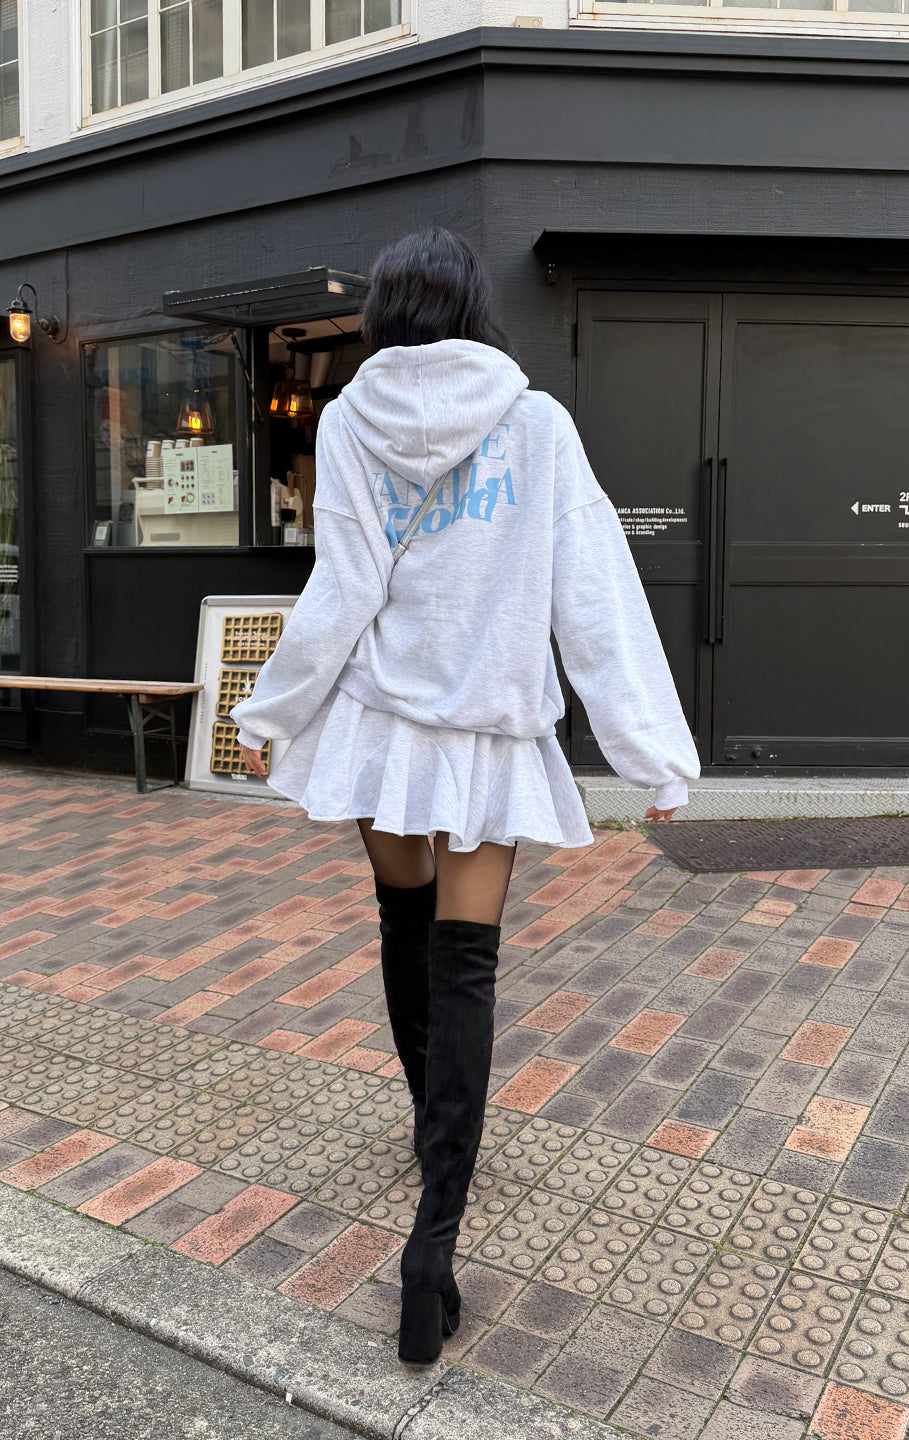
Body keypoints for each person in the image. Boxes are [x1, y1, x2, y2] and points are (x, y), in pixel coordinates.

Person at [230, 227, 700, 1366]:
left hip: (383, 730)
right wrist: (651, 755)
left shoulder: (348, 420)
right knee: (467, 959)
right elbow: (592, 586)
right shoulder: (536, 422)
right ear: (474, 308)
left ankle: (424, 1119)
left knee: (403, 924)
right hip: (488, 733)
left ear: (384, 315)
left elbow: (343, 584)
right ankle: (431, 1246)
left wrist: (269, 713)